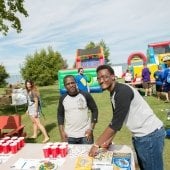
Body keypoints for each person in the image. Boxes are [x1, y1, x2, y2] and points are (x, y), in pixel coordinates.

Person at [89, 65, 165, 170]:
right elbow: (116, 119)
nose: (101, 80)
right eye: (99, 78)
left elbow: (115, 124)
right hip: (141, 137)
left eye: (105, 77)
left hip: (150, 136)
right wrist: (109, 140)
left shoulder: (122, 92)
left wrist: (96, 145)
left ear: (113, 77)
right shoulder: (114, 93)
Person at [57, 75, 98, 144]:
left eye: (72, 83)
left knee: (87, 155)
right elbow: (60, 115)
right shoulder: (63, 98)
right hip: (69, 136)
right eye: (68, 84)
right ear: (65, 86)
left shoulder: (85, 95)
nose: (71, 85)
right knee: (70, 155)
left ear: (76, 83)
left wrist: (91, 129)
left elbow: (95, 110)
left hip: (85, 135)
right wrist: (62, 132)